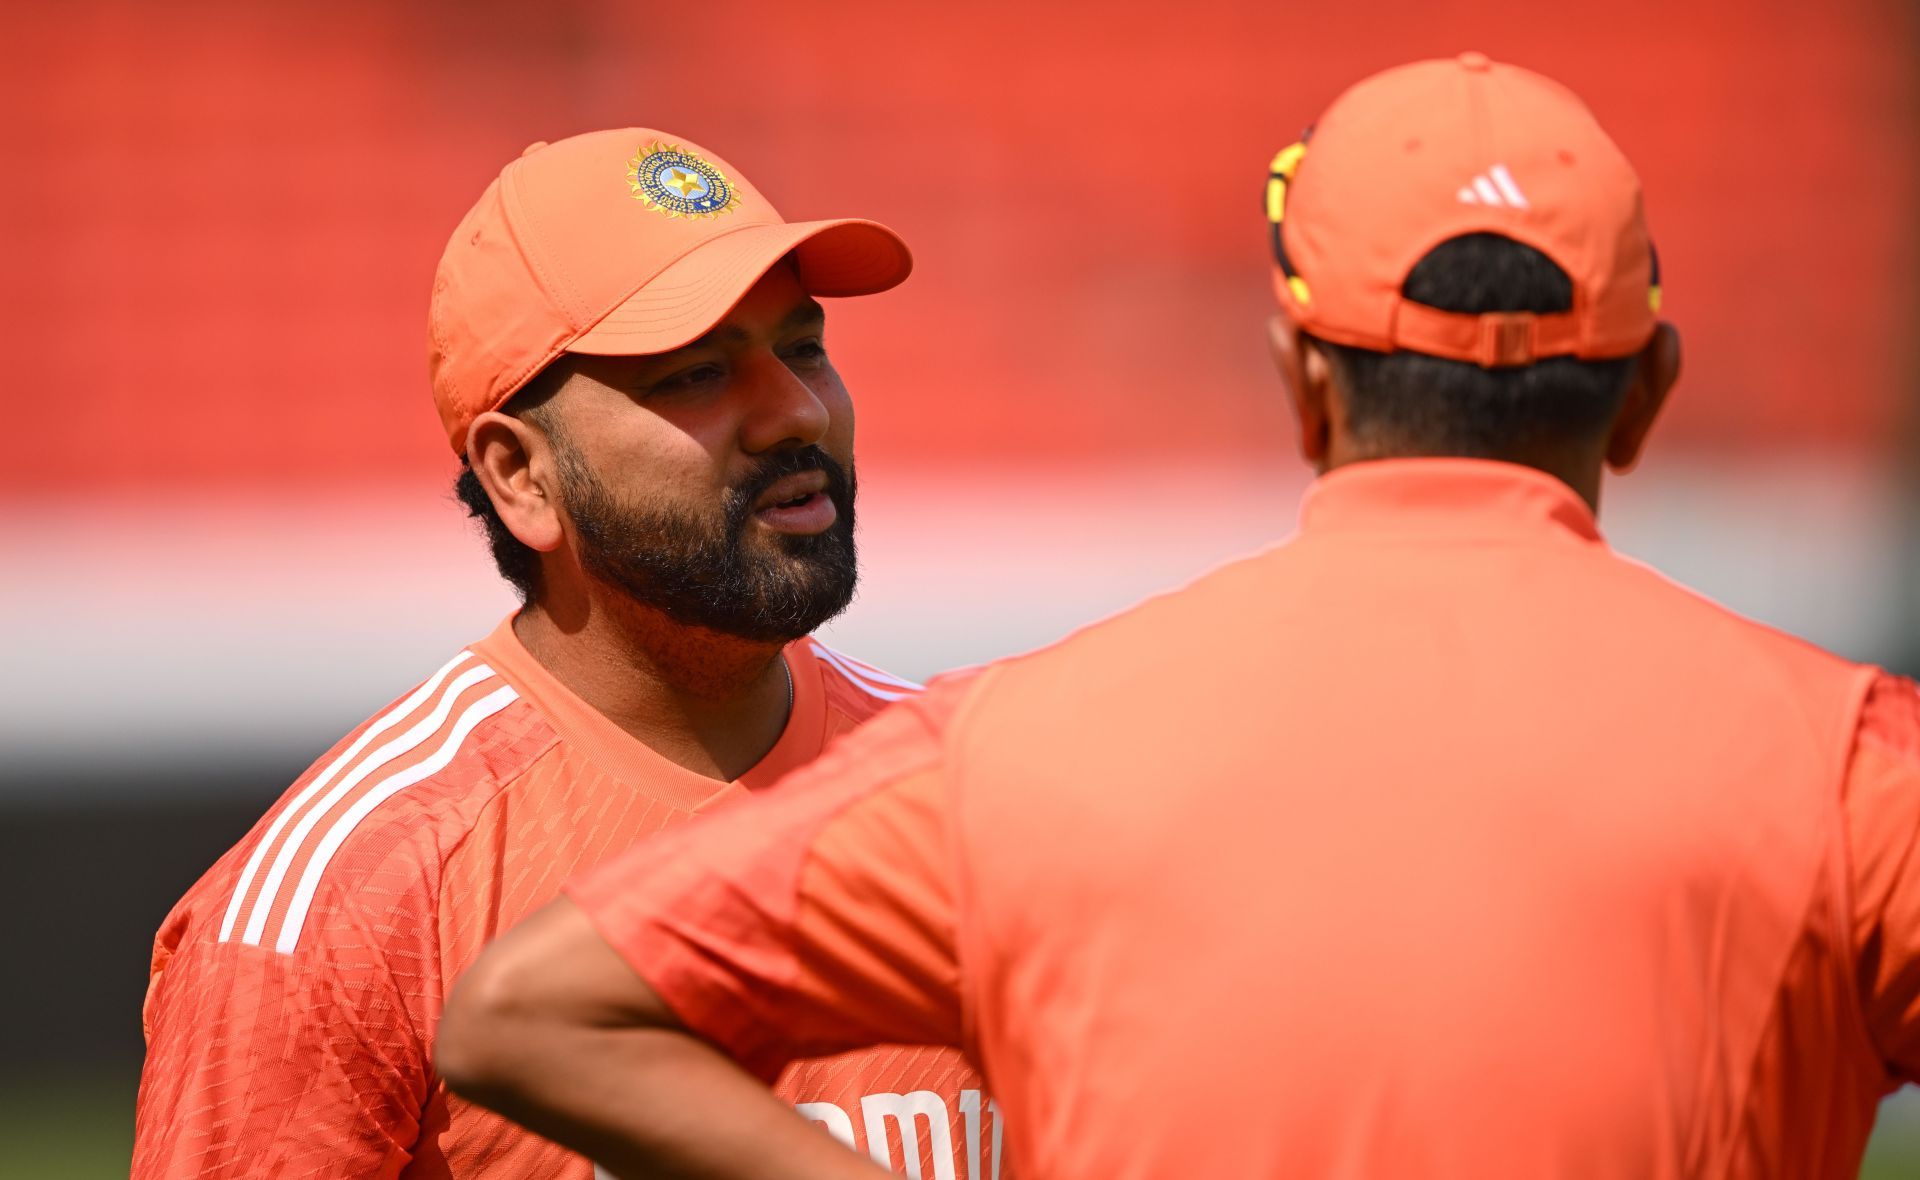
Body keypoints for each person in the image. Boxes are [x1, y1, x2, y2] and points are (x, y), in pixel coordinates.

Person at [435, 55, 1920, 1180]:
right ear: (1648, 391)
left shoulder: (1014, 748)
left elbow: (525, 1015)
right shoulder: (1848, 761)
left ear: (1303, 379)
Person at [133, 128, 1004, 1180]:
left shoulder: (983, 791)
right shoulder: (343, 905)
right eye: (695, 375)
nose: (799, 411)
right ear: (521, 478)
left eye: (805, 346)